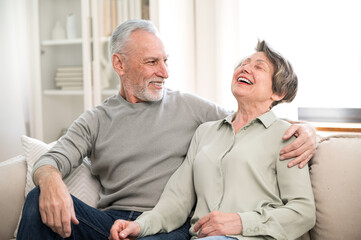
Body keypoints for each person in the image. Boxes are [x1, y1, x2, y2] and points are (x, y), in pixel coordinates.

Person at [17, 20, 316, 240]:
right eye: (152, 62)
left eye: (165, 61)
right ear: (119, 64)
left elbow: (250, 121)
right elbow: (52, 159)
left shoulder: (190, 108)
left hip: (170, 226)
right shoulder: (95, 119)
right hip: (112, 223)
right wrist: (51, 181)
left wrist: (307, 131)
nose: (165, 72)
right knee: (35, 201)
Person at [109, 40, 316, 240]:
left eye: (258, 67)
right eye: (244, 64)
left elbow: (303, 212)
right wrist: (140, 225)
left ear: (279, 92)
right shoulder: (205, 133)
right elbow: (176, 201)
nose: (245, 69)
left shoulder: (288, 136)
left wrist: (240, 222)